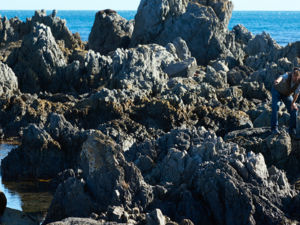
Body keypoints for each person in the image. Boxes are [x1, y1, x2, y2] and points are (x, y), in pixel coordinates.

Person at [271, 67, 300, 136]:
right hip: (277, 91)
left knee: (294, 110)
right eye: (294, 76)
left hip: (286, 95)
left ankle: (292, 130)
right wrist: (277, 81)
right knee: (275, 107)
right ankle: (274, 128)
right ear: (292, 74)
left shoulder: (299, 83)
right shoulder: (288, 75)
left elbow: (296, 94)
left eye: (296, 77)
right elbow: (281, 77)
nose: (294, 78)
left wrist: (293, 103)